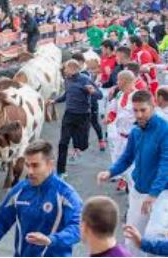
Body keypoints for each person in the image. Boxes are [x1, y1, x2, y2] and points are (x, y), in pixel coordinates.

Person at [0, 140, 82, 257]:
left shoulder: (66, 194)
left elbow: (78, 228)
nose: (30, 171)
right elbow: (1, 224)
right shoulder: (19, 190)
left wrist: (51, 240)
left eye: (35, 165)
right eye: (27, 165)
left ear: (50, 165)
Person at [98, 90, 168, 256]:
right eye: (135, 110)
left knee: (153, 239)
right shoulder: (136, 131)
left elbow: (166, 166)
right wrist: (110, 172)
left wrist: (153, 194)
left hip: (160, 195)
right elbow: (127, 157)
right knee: (131, 238)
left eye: (143, 110)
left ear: (153, 106)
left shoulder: (165, 131)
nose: (139, 114)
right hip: (138, 192)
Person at [52, 60, 103, 177]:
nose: (64, 71)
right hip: (69, 115)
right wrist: (55, 101)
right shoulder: (67, 80)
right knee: (63, 143)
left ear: (73, 68)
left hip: (83, 116)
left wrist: (93, 91)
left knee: (82, 145)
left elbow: (99, 95)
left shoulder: (85, 79)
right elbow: (66, 94)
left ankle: (79, 147)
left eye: (66, 68)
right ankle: (61, 171)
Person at [106, 70, 138, 192]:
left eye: (119, 80)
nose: (117, 82)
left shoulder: (137, 96)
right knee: (121, 163)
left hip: (133, 139)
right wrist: (109, 118)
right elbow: (114, 110)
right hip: (120, 137)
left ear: (124, 81)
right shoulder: (119, 94)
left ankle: (133, 193)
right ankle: (125, 182)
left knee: (132, 169)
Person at [72, 53, 106, 152]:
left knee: (94, 122)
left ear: (81, 63)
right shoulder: (75, 75)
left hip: (91, 102)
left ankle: (101, 140)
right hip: (80, 104)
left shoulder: (84, 74)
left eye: (76, 63)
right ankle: (78, 147)